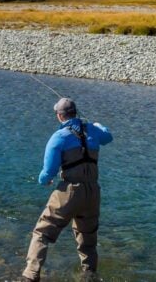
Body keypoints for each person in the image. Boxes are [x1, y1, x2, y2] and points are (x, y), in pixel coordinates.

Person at [22, 97, 113, 281]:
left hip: (70, 192)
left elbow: (49, 171)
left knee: (42, 232)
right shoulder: (94, 131)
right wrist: (97, 124)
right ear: (75, 113)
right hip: (93, 192)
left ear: (59, 116)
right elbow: (108, 136)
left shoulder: (59, 137)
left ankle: (30, 275)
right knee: (87, 240)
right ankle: (89, 275)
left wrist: (43, 181)